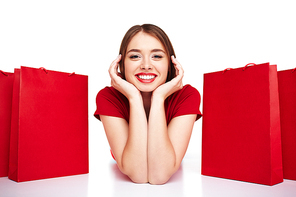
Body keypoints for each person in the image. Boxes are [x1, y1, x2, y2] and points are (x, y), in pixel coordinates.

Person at [94, 24, 202, 185]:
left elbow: (160, 175)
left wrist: (158, 98)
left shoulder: (187, 96)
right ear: (121, 64)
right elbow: (137, 174)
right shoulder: (108, 97)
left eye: (157, 56)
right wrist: (133, 98)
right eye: (135, 56)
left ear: (171, 63)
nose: (146, 65)